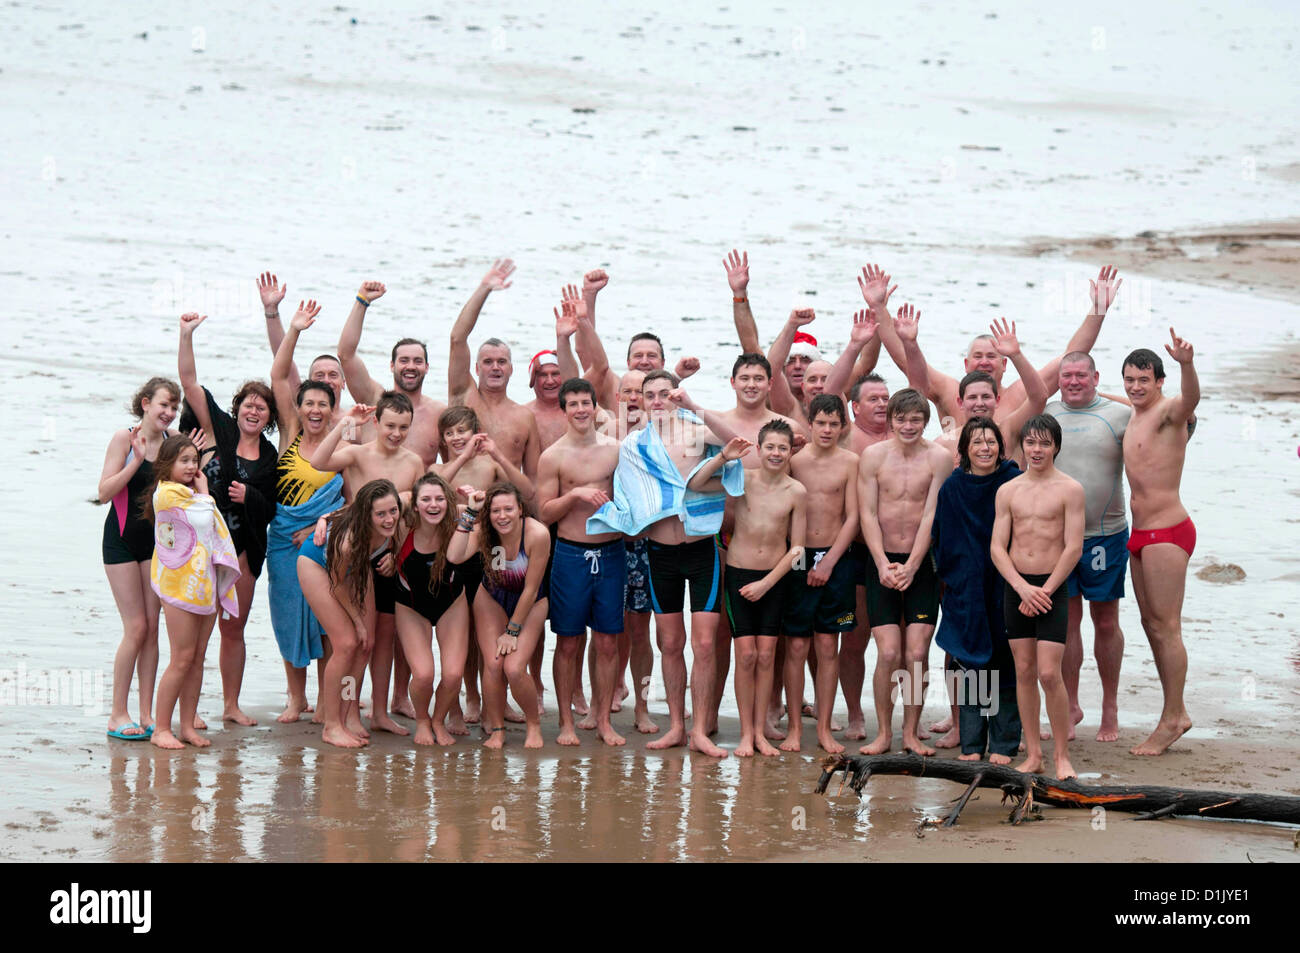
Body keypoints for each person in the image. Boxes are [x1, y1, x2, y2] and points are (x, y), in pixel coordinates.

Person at [587, 370, 744, 758]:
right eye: (649, 395)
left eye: (664, 394)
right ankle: (676, 725)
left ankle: (701, 730)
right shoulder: (635, 446)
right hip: (659, 552)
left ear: (675, 396)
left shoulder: (694, 430)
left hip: (700, 550)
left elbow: (738, 443)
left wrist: (694, 406)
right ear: (639, 399)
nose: (657, 401)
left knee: (705, 643)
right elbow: (633, 495)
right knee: (670, 643)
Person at [178, 312, 279, 728]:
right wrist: (186, 335)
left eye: (262, 407)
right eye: (248, 404)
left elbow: (271, 506)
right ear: (237, 409)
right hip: (203, 548)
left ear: (269, 418)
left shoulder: (272, 457)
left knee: (233, 631)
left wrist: (248, 494)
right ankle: (191, 710)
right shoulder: (218, 428)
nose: (254, 410)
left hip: (244, 552)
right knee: (197, 633)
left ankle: (231, 705)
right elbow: (188, 382)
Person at [866, 263, 1120, 426]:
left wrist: (1098, 309)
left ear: (1005, 364)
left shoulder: (1020, 394)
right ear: (966, 364)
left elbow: (1071, 358)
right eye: (978, 356)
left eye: (992, 356)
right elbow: (905, 360)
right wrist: (878, 308)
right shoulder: (948, 390)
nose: (984, 362)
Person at [311, 392, 425, 736]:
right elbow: (318, 461)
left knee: (379, 641)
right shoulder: (358, 453)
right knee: (354, 642)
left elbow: (413, 517)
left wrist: (399, 554)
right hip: (352, 556)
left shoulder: (414, 462)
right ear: (377, 422)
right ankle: (347, 713)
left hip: (387, 559)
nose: (396, 433)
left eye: (403, 427)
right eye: (390, 425)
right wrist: (345, 423)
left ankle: (378, 712)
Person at [692, 422, 807, 756]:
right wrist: (723, 457)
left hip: (774, 579)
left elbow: (797, 548)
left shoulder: (796, 491)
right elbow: (697, 484)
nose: (775, 453)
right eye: (769, 447)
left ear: (790, 451)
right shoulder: (742, 479)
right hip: (739, 575)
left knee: (767, 655)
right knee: (746, 655)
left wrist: (768, 582)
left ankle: (759, 733)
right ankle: (745, 734)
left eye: (782, 448)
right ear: (758, 449)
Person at [990, 415, 1085, 779]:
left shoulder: (1070, 489)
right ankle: (1033, 754)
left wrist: (1044, 590)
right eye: (1031, 443)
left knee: (1049, 673)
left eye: (1045, 443)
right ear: (1022, 446)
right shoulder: (1008, 490)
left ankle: (1062, 755)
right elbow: (998, 547)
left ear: (1056, 447)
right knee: (1024, 671)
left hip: (1051, 588)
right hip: (1017, 587)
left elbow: (1073, 547)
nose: (1037, 450)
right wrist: (1021, 587)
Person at [857, 388, 951, 756]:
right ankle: (883, 733)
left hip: (922, 565)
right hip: (880, 561)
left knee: (915, 653)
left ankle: (910, 732)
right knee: (888, 652)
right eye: (901, 419)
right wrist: (881, 563)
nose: (908, 426)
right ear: (890, 419)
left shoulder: (939, 458)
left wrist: (912, 565)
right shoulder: (873, 456)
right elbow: (867, 513)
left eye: (915, 420)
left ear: (925, 422)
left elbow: (932, 514)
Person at [266, 299, 346, 723]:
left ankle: (327, 700)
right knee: (287, 616)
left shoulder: (344, 445)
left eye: (323, 404)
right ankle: (297, 699)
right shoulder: (290, 436)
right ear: (298, 409)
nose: (315, 410)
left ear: (334, 408)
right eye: (308, 404)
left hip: (323, 542)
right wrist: (291, 328)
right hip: (282, 542)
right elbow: (280, 374)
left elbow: (355, 501)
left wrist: (324, 522)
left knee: (328, 619)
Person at [1046, 351, 1133, 742]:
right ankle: (1072, 704)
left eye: (1082, 375)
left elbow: (1172, 422)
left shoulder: (1119, 414)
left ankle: (1110, 707)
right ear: (1059, 379)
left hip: (1106, 534)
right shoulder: (1047, 414)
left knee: (1106, 621)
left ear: (1096, 377)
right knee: (1066, 623)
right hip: (1058, 538)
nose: (1074, 381)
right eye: (1067, 376)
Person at [1121, 333, 1199, 755]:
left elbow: (1190, 401)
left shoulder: (1170, 412)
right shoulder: (1133, 412)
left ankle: (1174, 717)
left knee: (1167, 627)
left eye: (1144, 380)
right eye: (1130, 379)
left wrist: (1187, 364)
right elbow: (1107, 398)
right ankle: (1173, 712)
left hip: (1168, 532)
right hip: (1140, 534)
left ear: (1160, 382)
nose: (1136, 386)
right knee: (1152, 626)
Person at [537, 379, 626, 746]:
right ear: (563, 410)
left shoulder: (616, 450)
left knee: (607, 642)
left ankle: (603, 721)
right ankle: (566, 725)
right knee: (569, 642)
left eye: (585, 402)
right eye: (572, 404)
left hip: (611, 553)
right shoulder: (552, 456)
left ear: (595, 406)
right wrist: (574, 494)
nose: (580, 409)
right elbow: (544, 513)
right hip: (571, 554)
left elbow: (634, 500)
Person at [932, 418, 1022, 764]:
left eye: (991, 442)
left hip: (1005, 582)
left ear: (1001, 446)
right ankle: (971, 743)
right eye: (977, 443)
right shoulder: (952, 488)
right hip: (964, 587)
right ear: (964, 450)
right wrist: (953, 582)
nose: (985, 448)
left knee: (1004, 660)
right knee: (968, 662)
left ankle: (1004, 743)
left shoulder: (1013, 481)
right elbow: (941, 540)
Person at [146, 435, 240, 749]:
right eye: (183, 460)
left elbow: (209, 523)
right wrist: (205, 493)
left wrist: (203, 495)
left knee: (198, 658)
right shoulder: (166, 494)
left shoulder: (190, 493)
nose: (190, 466)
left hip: (203, 584)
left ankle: (187, 725)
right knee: (181, 658)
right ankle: (161, 729)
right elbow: (203, 516)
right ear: (167, 464)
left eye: (194, 460)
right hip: (178, 584)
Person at [101, 378, 183, 740]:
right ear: (146, 403)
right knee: (134, 628)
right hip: (119, 543)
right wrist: (136, 459)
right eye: (163, 405)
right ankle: (117, 713)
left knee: (152, 629)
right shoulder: (125, 437)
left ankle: (148, 714)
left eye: (174, 408)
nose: (168, 412)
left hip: (155, 546)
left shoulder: (171, 443)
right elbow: (104, 493)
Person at [298, 480, 402, 748]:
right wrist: (358, 622)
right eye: (381, 514)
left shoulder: (398, 509)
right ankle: (331, 725)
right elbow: (338, 585)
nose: (389, 519)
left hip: (357, 567)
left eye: (393, 511)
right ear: (367, 515)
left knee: (366, 646)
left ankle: (344, 718)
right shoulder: (349, 541)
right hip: (318, 565)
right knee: (347, 643)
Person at [447, 482, 551, 750]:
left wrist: (512, 630)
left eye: (508, 509)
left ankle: (533, 725)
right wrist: (470, 515)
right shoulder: (484, 531)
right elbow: (455, 556)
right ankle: (497, 729)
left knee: (514, 668)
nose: (502, 516)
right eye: (495, 511)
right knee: (493, 664)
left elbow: (531, 588)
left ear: (520, 510)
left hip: (530, 601)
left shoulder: (537, 534)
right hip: (491, 595)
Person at [785, 395, 859, 753]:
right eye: (821, 423)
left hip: (837, 557)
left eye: (834, 423)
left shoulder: (851, 463)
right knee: (797, 645)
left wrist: (829, 561)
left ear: (843, 426)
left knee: (828, 644)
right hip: (797, 557)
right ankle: (796, 728)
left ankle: (825, 729)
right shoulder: (794, 462)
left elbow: (853, 518)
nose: (827, 430)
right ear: (809, 424)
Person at [393, 474, 472, 746]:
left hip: (452, 604)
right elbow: (365, 507)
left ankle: (439, 719)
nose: (433, 505)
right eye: (425, 499)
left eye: (439, 499)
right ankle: (422, 720)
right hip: (411, 606)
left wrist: (471, 505)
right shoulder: (403, 528)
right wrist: (322, 520)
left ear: (448, 503)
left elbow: (458, 556)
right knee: (424, 674)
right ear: (414, 505)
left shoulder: (460, 524)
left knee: (453, 674)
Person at [336, 280, 447, 469]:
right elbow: (345, 355)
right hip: (371, 495)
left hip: (415, 497)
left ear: (427, 367)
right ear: (392, 366)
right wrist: (362, 301)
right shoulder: (373, 400)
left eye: (417, 361)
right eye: (404, 361)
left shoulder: (439, 413)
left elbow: (449, 465)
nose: (410, 366)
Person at [448, 259, 541, 479]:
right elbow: (457, 338)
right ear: (477, 369)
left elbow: (534, 478)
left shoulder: (525, 417)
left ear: (511, 369)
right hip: (464, 502)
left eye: (502, 362)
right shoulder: (463, 395)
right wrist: (484, 289)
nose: (495, 367)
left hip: (506, 507)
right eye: (488, 362)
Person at [841, 372, 891, 740]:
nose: (882, 404)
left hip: (901, 554)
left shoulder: (905, 435)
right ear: (854, 406)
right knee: (855, 638)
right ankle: (856, 713)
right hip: (857, 551)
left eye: (886, 397)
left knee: (906, 645)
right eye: (873, 398)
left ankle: (908, 714)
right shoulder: (847, 436)